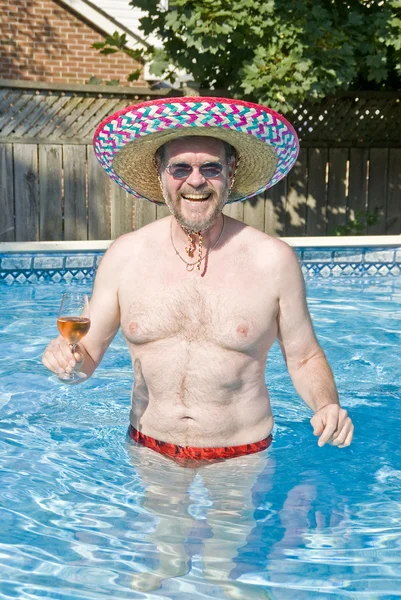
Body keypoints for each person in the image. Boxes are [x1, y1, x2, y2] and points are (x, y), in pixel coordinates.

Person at [42, 97, 354, 594]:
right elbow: (88, 355)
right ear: (161, 175)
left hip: (240, 451)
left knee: (223, 556)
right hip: (151, 447)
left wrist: (327, 403)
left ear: (231, 173)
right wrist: (67, 361)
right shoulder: (124, 257)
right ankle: (168, 569)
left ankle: (220, 579)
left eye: (210, 167)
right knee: (167, 541)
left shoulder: (273, 261)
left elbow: (305, 355)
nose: (196, 180)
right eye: (180, 168)